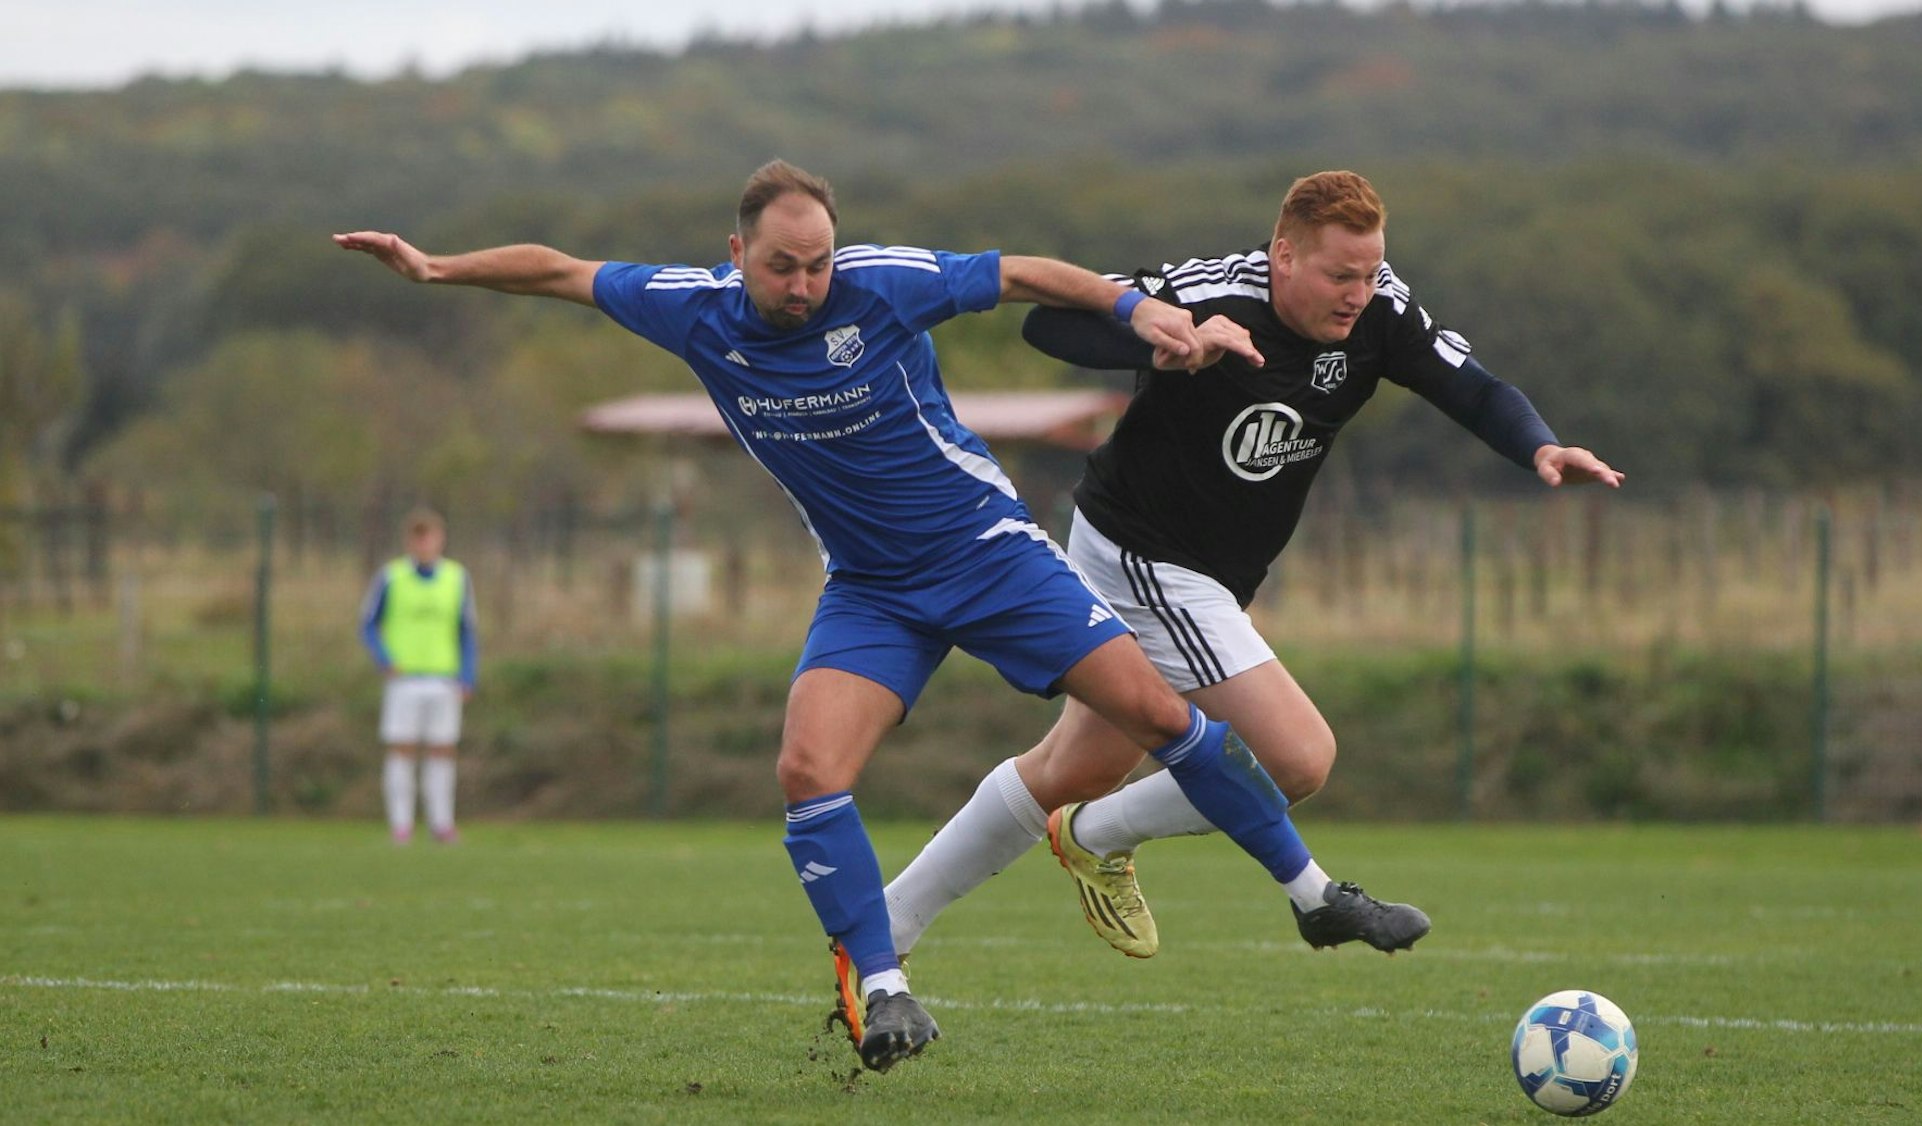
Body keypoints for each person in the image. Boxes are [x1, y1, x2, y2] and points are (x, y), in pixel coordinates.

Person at [335, 160, 1388, 1074]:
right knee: (806, 770)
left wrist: (1131, 311)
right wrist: (437, 268)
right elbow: (562, 271)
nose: (804, 283)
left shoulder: (882, 284)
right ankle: (884, 989)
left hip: (986, 555)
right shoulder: (689, 307)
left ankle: (1311, 895)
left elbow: (1019, 273)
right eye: (782, 265)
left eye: (818, 263)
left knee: (1156, 716)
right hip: (871, 588)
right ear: (735, 251)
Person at [883, 169, 1623, 962]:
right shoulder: (1216, 295)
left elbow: (1474, 390)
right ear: (1283, 256)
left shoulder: (1382, 311)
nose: (1358, 293)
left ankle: (889, 920)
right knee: (1296, 755)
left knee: (1075, 766)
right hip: (1144, 553)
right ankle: (1097, 838)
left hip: (1212, 574)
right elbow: (1052, 329)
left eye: (1369, 273)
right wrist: (1162, 337)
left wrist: (1541, 444)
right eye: (1340, 274)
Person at [359, 506, 478, 846]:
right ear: (409, 541)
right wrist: (384, 659)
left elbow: (467, 630)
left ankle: (442, 823)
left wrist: (468, 675)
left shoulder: (457, 577)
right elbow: (367, 624)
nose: (425, 544)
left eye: (431, 537)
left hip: (444, 678)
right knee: (402, 751)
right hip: (404, 679)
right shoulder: (391, 577)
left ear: (441, 539)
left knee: (442, 751)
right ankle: (401, 825)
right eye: (418, 537)